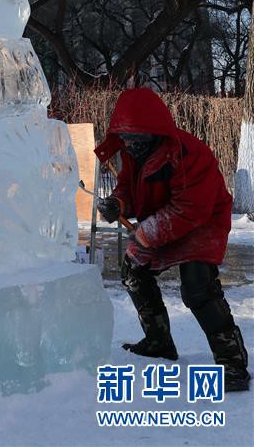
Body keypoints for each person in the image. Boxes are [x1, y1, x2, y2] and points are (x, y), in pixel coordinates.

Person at [95, 87, 250, 391]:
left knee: (198, 289)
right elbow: (127, 186)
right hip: (162, 220)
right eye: (125, 138)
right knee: (133, 272)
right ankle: (159, 341)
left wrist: (149, 231)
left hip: (202, 223)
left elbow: (190, 209)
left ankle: (233, 363)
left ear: (154, 133)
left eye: (136, 140)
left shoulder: (191, 155)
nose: (129, 146)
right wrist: (119, 203)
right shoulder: (132, 151)